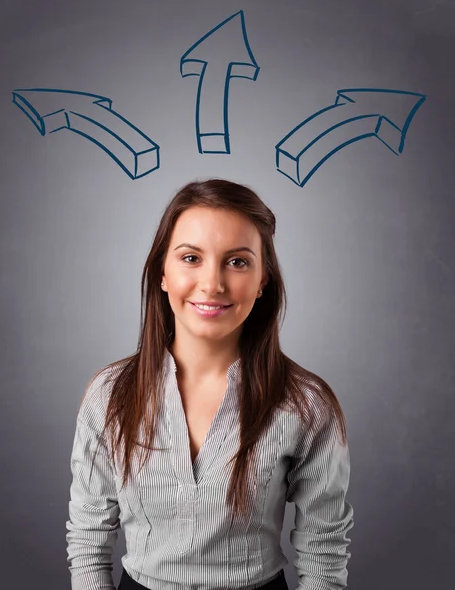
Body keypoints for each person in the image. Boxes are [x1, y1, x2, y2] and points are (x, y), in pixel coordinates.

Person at [66, 178, 354, 590]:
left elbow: (324, 554)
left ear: (262, 280)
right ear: (162, 273)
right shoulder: (109, 395)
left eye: (237, 262)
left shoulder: (306, 405)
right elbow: (88, 541)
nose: (213, 283)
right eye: (191, 258)